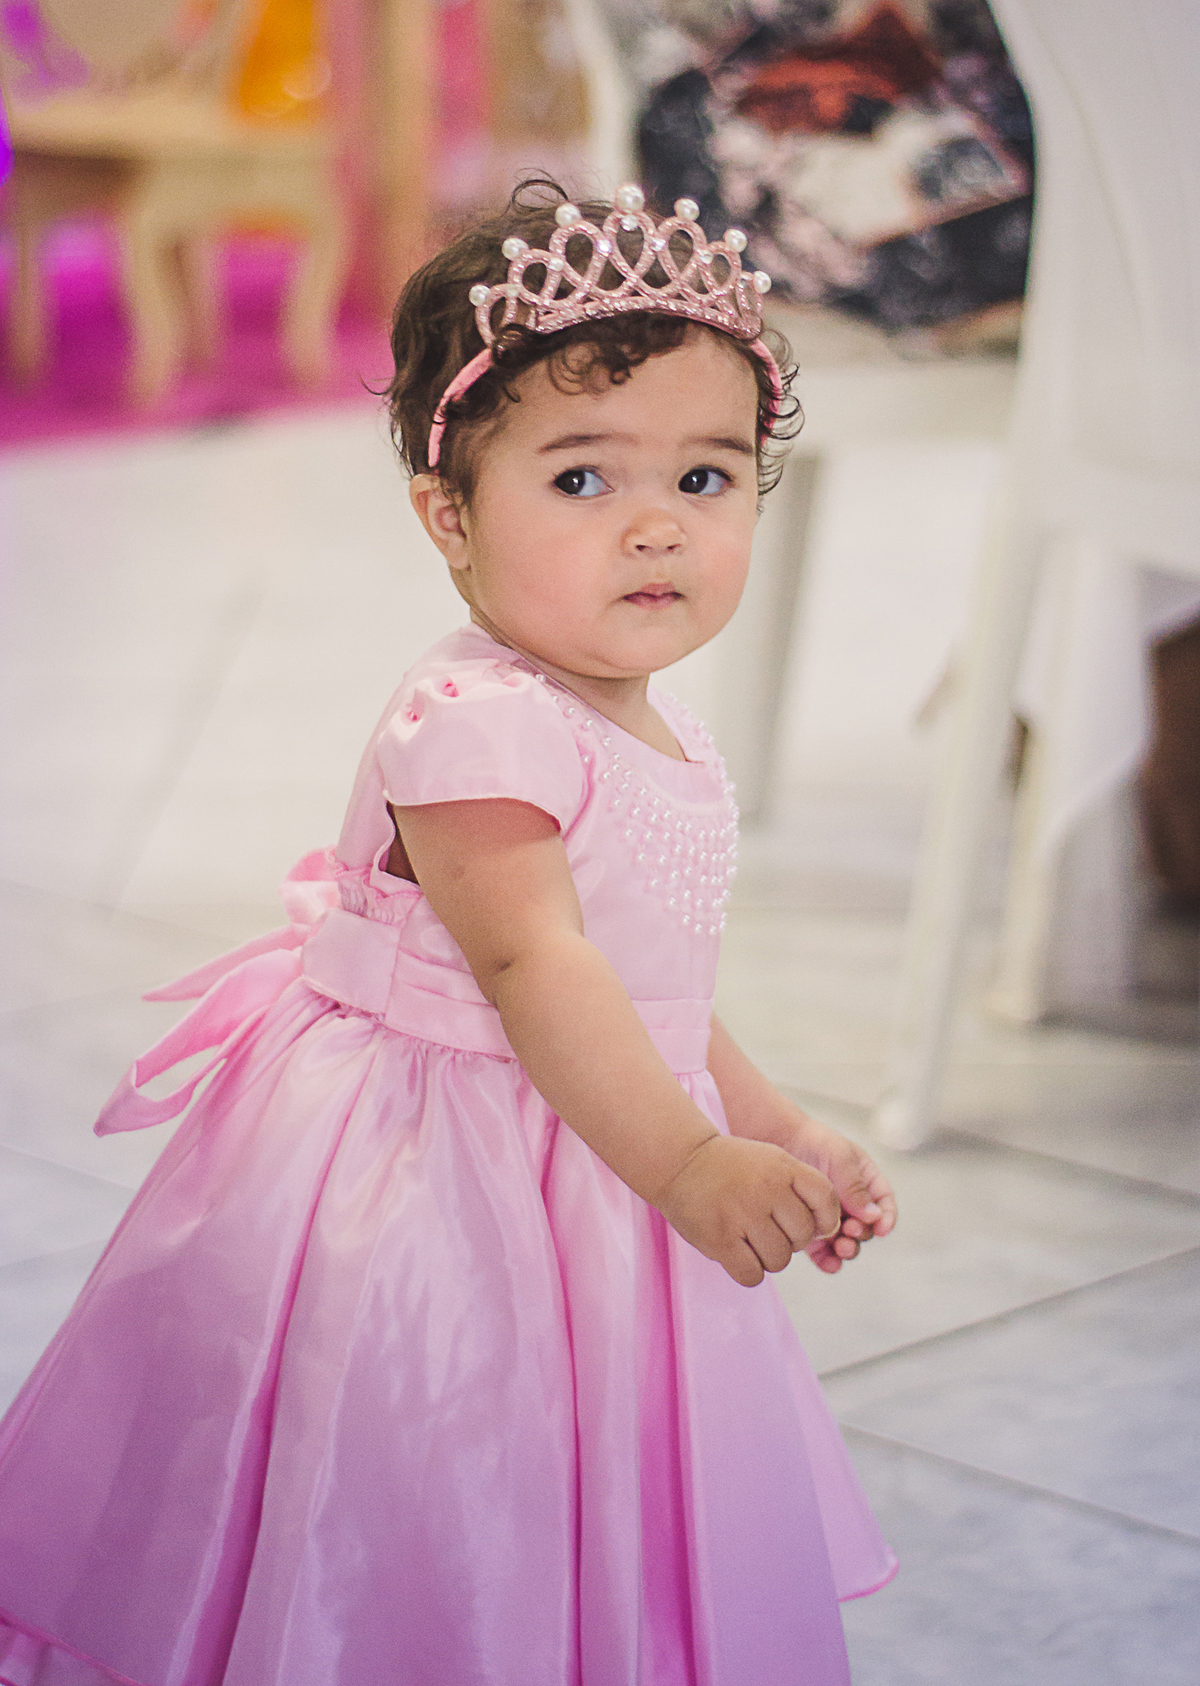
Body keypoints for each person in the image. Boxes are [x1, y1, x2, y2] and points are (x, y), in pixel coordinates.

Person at [0, 180, 897, 1686]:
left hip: (590, 1126)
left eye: (706, 476)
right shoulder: (478, 727)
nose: (655, 526)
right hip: (446, 1167)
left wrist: (774, 1125)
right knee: (432, 1453)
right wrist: (687, 1162)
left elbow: (646, 982)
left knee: (586, 1462)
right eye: (581, 479)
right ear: (450, 515)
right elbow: (540, 966)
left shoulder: (647, 716)